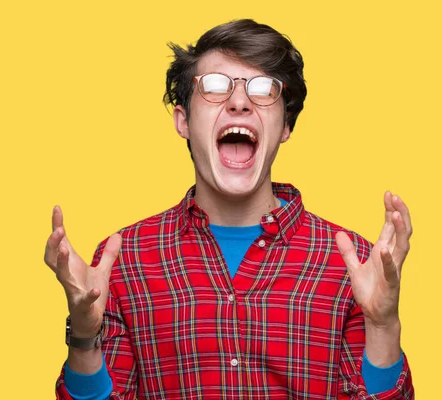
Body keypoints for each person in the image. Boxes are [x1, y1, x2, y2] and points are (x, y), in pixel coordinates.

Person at [44, 19, 414, 399]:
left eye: (263, 89)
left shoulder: (351, 263)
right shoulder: (124, 260)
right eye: (216, 87)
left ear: (286, 124)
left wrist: (383, 326)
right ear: (184, 120)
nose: (239, 102)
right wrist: (84, 336)